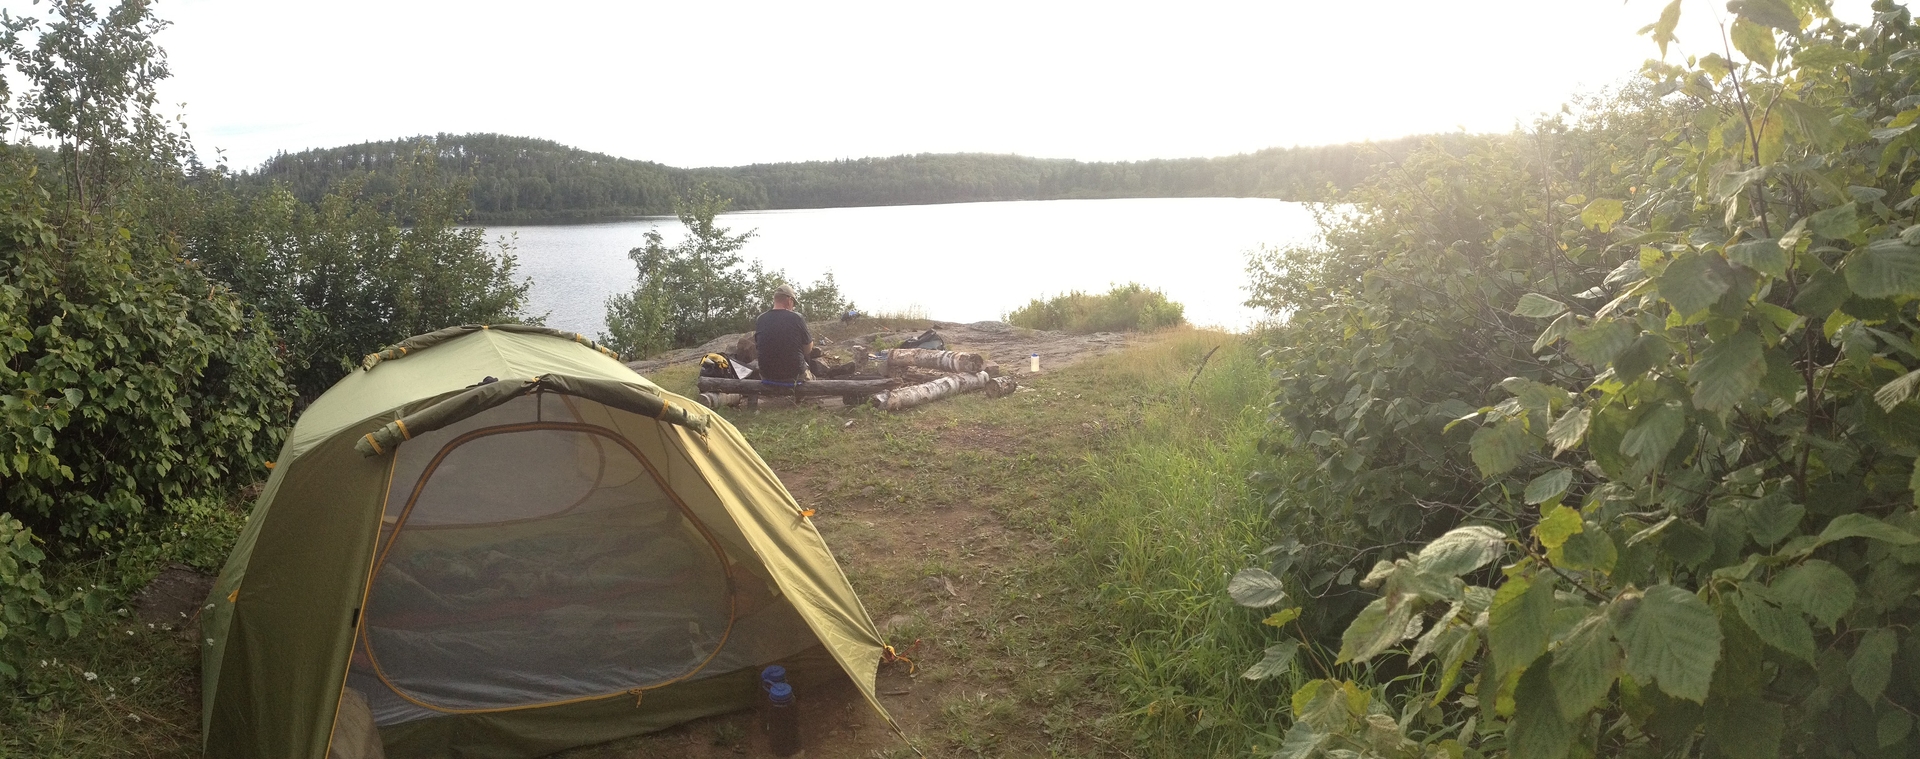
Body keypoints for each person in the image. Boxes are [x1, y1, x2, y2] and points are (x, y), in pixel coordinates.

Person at [754, 284, 812, 382]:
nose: (793, 306)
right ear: (789, 300)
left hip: (766, 375)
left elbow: (759, 346)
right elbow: (808, 349)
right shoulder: (797, 318)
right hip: (794, 375)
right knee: (811, 377)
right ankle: (800, 396)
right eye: (793, 302)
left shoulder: (760, 319)